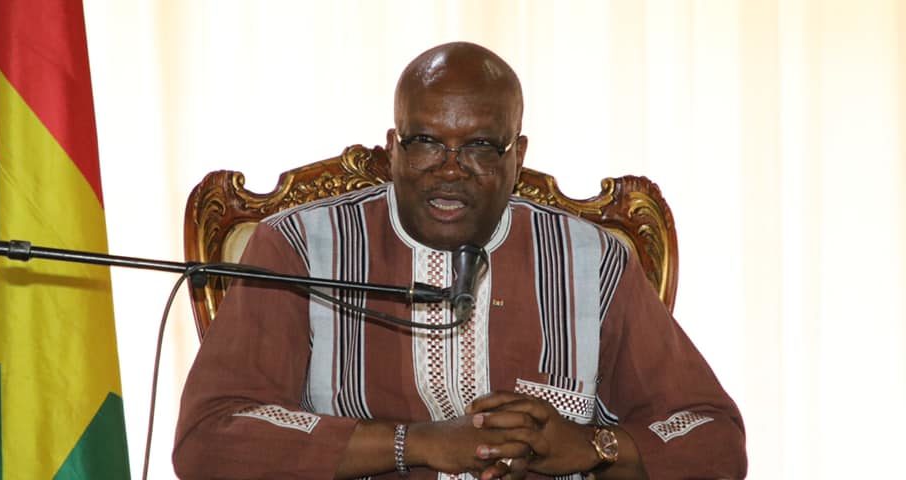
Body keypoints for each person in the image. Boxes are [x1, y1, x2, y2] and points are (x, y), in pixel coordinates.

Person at [173, 42, 747, 480]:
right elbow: (211, 436)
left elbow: (714, 438)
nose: (450, 169)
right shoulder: (301, 248)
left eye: (479, 147)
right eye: (426, 142)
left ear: (517, 156)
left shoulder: (593, 261)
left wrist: (592, 446)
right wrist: (414, 443)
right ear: (393, 148)